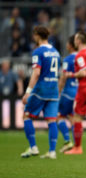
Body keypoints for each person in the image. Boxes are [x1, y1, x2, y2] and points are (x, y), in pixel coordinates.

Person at [20, 26, 61, 159]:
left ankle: (33, 147)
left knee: (27, 116)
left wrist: (27, 92)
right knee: (51, 120)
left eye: (34, 35)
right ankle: (52, 151)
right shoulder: (56, 51)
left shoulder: (38, 51)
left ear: (37, 35)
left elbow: (36, 73)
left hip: (41, 89)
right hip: (53, 90)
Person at [57, 35, 78, 153]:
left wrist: (58, 91)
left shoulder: (68, 59)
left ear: (70, 45)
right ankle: (76, 146)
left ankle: (67, 141)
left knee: (58, 116)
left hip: (68, 93)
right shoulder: (82, 58)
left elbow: (64, 77)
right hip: (78, 93)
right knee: (72, 118)